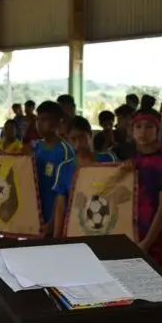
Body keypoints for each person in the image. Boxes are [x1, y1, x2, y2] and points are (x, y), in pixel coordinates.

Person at [51, 116, 117, 237]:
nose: (78, 143)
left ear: (90, 135)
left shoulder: (109, 159)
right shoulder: (64, 167)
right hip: (75, 229)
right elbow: (61, 206)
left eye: (82, 137)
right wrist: (56, 237)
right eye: (73, 139)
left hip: (106, 227)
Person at [131, 107, 162, 268]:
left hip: (155, 236)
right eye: (138, 127)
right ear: (132, 130)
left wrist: (147, 242)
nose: (143, 132)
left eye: (149, 127)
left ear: (158, 130)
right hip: (131, 232)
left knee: (153, 287)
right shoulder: (131, 159)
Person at [32, 101, 74, 236]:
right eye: (37, 119)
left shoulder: (65, 151)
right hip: (37, 218)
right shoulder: (37, 147)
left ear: (57, 123)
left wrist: (52, 223)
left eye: (44, 120)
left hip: (55, 221)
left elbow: (66, 194)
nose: (38, 123)